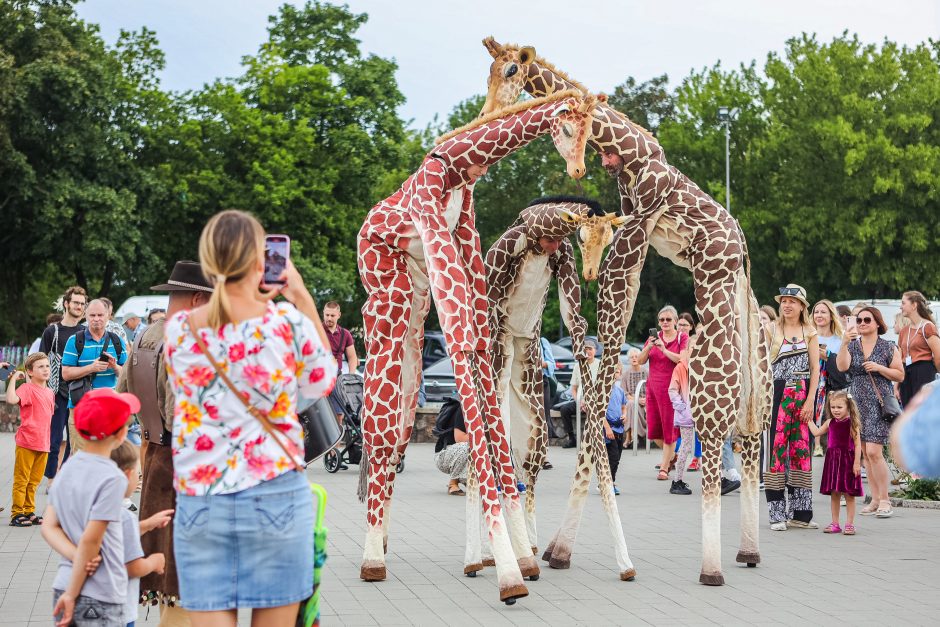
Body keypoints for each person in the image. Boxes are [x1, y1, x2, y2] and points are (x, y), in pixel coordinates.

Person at [164, 210, 336, 625]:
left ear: (209, 265)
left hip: (202, 501)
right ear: (263, 263)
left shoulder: (180, 331)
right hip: (276, 494)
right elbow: (322, 381)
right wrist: (299, 294)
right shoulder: (286, 324)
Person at [117, 260, 213, 626]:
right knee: (182, 571)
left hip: (154, 458)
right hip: (182, 466)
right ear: (196, 299)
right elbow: (181, 418)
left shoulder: (145, 334)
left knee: (164, 569)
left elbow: (122, 395)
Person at [40, 388, 140, 627]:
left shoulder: (68, 469)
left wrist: (75, 558)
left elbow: (49, 526)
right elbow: (91, 541)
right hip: (100, 590)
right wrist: (72, 594)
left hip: (64, 581)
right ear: (121, 434)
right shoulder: (113, 478)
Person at [836, 305, 904, 519]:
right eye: (859, 320)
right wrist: (845, 342)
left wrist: (879, 368)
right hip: (857, 402)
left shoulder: (887, 347)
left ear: (877, 323)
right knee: (865, 453)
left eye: (867, 320)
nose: (862, 323)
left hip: (878, 401)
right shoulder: (852, 346)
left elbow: (900, 375)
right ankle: (874, 499)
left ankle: (885, 499)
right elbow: (842, 366)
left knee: (874, 452)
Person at [763, 284, 820, 531]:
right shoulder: (771, 329)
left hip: (802, 395)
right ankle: (777, 514)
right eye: (784, 300)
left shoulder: (810, 331)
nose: (787, 305)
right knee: (775, 453)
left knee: (801, 452)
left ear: (802, 306)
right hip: (777, 395)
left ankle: (801, 514)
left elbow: (816, 369)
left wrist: (810, 400)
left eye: (792, 301)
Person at [61, 299, 128, 455]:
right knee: (80, 456)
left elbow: (126, 374)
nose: (96, 319)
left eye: (100, 315)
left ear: (108, 316)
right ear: (85, 316)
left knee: (109, 454)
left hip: (109, 407)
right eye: (92, 315)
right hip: (80, 407)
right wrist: (91, 368)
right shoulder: (75, 340)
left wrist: (115, 367)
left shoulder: (117, 341)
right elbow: (65, 374)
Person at [39, 285, 87, 480]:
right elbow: (39, 360)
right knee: (54, 440)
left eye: (82, 304)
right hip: (56, 392)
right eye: (76, 302)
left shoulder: (85, 331)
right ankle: (51, 478)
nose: (79, 307)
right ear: (66, 304)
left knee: (75, 441)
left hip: (79, 392)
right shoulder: (53, 331)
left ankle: (64, 477)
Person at [638, 305, 689, 480]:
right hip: (653, 388)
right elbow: (640, 360)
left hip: (672, 390)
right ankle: (673, 456)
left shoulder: (682, 337)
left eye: (668, 319)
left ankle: (664, 467)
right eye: (661, 320)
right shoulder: (653, 337)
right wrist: (649, 347)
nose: (665, 323)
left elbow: (682, 359)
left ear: (675, 321)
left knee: (669, 430)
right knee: (653, 432)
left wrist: (664, 350)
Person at [6, 352, 55, 527]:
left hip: (43, 443)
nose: (45, 369)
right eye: (40, 366)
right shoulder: (27, 389)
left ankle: (28, 510)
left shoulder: (50, 392)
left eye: (47, 366)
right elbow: (11, 399)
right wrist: (14, 379)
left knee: (34, 481)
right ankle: (17, 513)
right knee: (22, 479)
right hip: (27, 442)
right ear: (30, 371)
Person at [806, 391, 863, 536]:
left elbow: (857, 445)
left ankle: (850, 524)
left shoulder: (852, 423)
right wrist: (808, 420)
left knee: (849, 495)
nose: (836, 410)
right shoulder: (829, 422)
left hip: (848, 461)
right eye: (833, 407)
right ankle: (835, 523)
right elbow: (816, 432)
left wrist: (857, 463)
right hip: (833, 462)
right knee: (835, 494)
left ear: (848, 407)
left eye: (839, 407)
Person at [811, 299, 846, 456]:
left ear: (831, 316)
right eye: (816, 312)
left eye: (823, 312)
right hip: (810, 391)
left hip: (833, 392)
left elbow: (844, 370)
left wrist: (829, 357)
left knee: (834, 436)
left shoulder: (840, 339)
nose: (819, 315)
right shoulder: (808, 337)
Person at [898, 290, 940, 406]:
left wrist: (935, 374)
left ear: (914, 305)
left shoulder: (927, 327)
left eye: (903, 303)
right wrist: (896, 386)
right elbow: (900, 358)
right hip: (906, 373)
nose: (900, 307)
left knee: (922, 408)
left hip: (923, 371)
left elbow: (938, 355)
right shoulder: (904, 331)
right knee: (908, 409)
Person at [323, 301, 359, 434]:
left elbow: (352, 358)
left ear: (339, 315)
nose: (329, 318)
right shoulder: (317, 330)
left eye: (332, 315)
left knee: (339, 415)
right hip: (319, 378)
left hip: (336, 379)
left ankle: (334, 452)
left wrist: (350, 376)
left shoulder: (345, 334)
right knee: (319, 416)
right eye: (327, 315)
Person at [559, 339, 600, 448]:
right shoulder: (578, 366)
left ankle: (593, 439)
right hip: (580, 400)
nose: (588, 351)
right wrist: (579, 402)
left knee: (594, 411)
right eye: (585, 349)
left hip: (595, 400)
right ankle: (572, 438)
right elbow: (574, 388)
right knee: (564, 409)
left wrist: (589, 401)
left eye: (590, 349)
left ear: (595, 351)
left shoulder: (600, 365)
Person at [676, 312, 701, 471]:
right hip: (679, 386)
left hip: (694, 386)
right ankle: (676, 454)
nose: (682, 327)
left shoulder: (693, 342)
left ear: (691, 326)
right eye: (680, 324)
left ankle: (696, 457)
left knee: (698, 427)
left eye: (685, 324)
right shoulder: (675, 339)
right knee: (680, 425)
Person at [668, 356, 694, 495]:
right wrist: (682, 408)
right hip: (687, 414)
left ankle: (717, 478)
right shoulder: (681, 367)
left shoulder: (705, 363)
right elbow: (672, 389)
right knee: (686, 446)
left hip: (705, 412)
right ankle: (677, 481)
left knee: (711, 446)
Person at [434, 398, 470, 496]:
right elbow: (460, 438)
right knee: (467, 447)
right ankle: (453, 483)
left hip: (458, 454)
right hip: (444, 455)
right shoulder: (464, 409)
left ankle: (467, 479)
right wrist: (483, 435)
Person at [603, 363, 627, 496]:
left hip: (619, 428)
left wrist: (624, 415)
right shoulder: (603, 391)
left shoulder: (620, 391)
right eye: (612, 371)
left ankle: (611, 481)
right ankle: (607, 483)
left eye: (617, 372)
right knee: (613, 456)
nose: (614, 374)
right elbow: (600, 412)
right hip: (608, 429)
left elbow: (624, 406)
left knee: (617, 458)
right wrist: (607, 429)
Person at [620, 348, 647, 443]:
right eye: (632, 357)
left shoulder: (647, 372)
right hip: (631, 401)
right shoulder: (625, 374)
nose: (634, 359)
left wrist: (645, 399)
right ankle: (631, 435)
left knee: (631, 405)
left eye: (636, 356)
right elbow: (624, 393)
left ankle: (629, 437)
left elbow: (652, 390)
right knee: (631, 404)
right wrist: (636, 400)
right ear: (629, 360)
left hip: (645, 402)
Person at [539, 336, 556, 469]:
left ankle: (544, 457)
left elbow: (551, 364)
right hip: (523, 383)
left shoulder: (542, 341)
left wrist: (538, 363)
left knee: (544, 417)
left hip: (541, 381)